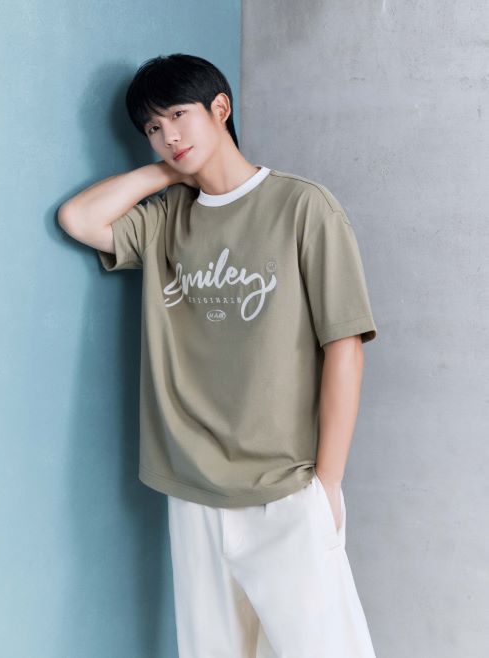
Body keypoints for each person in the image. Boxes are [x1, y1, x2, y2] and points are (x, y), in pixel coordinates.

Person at [58, 53, 379, 658]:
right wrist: (166, 174)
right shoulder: (163, 221)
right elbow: (79, 218)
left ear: (220, 108)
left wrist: (328, 483)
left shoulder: (302, 206)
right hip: (191, 485)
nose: (168, 135)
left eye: (179, 115)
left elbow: (344, 345)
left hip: (285, 486)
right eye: (153, 128)